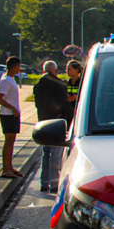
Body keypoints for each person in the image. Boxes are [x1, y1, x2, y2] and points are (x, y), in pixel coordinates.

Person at [33, 60, 69, 192]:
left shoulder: (38, 86)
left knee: (45, 153)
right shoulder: (59, 86)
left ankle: (44, 182)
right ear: (55, 72)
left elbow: (38, 104)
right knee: (55, 154)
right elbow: (63, 105)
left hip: (43, 122)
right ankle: (54, 183)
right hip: (56, 123)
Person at [0, 57, 23, 178]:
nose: (20, 68)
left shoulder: (11, 79)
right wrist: (13, 108)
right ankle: (5, 170)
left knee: (12, 141)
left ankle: (9, 167)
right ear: (15, 66)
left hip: (13, 114)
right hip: (7, 114)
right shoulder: (6, 80)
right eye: (19, 66)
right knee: (8, 141)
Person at [64, 60, 83, 126]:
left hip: (79, 111)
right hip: (68, 113)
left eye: (69, 69)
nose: (66, 71)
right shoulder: (65, 83)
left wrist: (76, 98)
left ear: (76, 70)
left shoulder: (83, 83)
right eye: (66, 69)